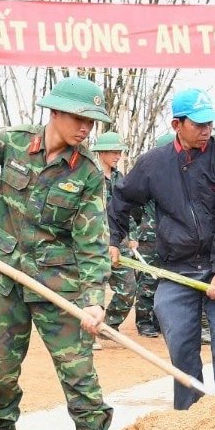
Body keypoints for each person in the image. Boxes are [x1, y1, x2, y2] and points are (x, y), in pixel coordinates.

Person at [0, 75, 116, 430]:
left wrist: (94, 299)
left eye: (92, 122)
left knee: (78, 371)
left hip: (57, 286)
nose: (86, 129)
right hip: (4, 279)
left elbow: (91, 242)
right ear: (55, 112)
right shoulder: (11, 143)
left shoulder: (87, 173)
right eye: (80, 119)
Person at [110, 87, 215, 410]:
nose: (206, 131)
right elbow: (121, 200)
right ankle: (190, 420)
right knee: (181, 347)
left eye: (209, 124)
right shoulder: (153, 165)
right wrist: (113, 239)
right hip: (177, 268)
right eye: (198, 124)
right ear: (177, 125)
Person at [95, 131, 141, 342]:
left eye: (119, 152)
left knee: (128, 287)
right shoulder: (90, 175)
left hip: (118, 240)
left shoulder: (119, 178)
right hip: (93, 240)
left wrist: (130, 234)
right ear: (101, 152)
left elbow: (125, 209)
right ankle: (87, 335)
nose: (117, 156)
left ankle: (108, 326)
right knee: (92, 289)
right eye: (113, 152)